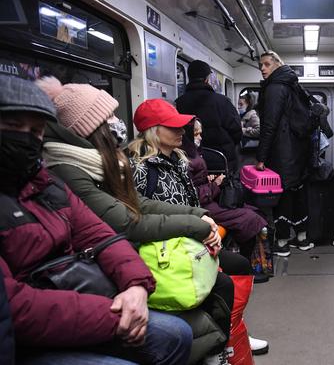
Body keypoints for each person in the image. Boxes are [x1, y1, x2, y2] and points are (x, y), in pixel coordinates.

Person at [34, 76, 230, 364]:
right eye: (109, 116)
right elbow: (126, 222)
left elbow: (138, 204)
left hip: (126, 249)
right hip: (110, 258)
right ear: (90, 127)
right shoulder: (70, 170)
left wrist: (199, 214)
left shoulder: (106, 162)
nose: (117, 121)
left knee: (219, 280)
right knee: (206, 293)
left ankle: (220, 351)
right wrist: (198, 226)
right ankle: (216, 352)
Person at [0, 75, 192, 364]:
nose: (26, 138)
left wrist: (136, 286)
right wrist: (115, 314)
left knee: (177, 334)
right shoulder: (71, 171)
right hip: (33, 324)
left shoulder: (47, 184)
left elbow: (102, 235)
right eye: (14, 127)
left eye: (36, 131)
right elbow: (13, 305)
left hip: (79, 289)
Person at [127, 99, 269, 357]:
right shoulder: (138, 166)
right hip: (161, 244)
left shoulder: (179, 161)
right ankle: (221, 348)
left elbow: (192, 203)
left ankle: (233, 333)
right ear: (153, 131)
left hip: (189, 235)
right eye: (174, 127)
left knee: (238, 264)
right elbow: (140, 214)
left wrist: (207, 230)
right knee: (224, 283)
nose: (182, 132)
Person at [181, 119, 268, 265]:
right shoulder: (185, 160)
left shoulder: (195, 154)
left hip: (209, 200)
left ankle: (249, 260)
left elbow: (197, 182)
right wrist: (215, 184)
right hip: (202, 207)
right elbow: (193, 195)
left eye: (200, 134)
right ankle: (247, 263)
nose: (200, 138)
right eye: (196, 134)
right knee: (249, 218)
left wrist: (208, 180)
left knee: (254, 211)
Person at [255, 50, 311, 255]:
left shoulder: (275, 88)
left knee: (283, 195)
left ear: (277, 64)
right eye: (260, 65)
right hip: (299, 148)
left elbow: (269, 124)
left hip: (282, 150)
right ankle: (302, 238)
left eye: (267, 64)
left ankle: (282, 241)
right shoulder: (292, 83)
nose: (262, 69)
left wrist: (261, 156)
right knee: (298, 193)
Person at [176, 60, 242, 172]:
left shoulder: (178, 103)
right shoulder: (223, 102)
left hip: (191, 159)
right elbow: (236, 131)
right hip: (221, 159)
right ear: (207, 79)